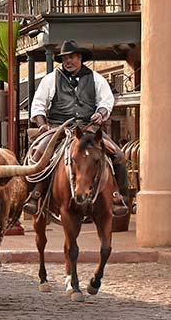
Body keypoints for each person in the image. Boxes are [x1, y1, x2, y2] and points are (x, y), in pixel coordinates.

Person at [28, 40, 130, 201]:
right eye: (64, 58)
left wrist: (101, 113)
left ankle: (120, 197)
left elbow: (106, 101)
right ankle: (33, 195)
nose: (68, 61)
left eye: (71, 57)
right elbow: (38, 104)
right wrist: (42, 126)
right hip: (58, 128)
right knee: (37, 155)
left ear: (80, 57)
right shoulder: (50, 79)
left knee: (119, 156)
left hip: (89, 129)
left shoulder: (96, 78)